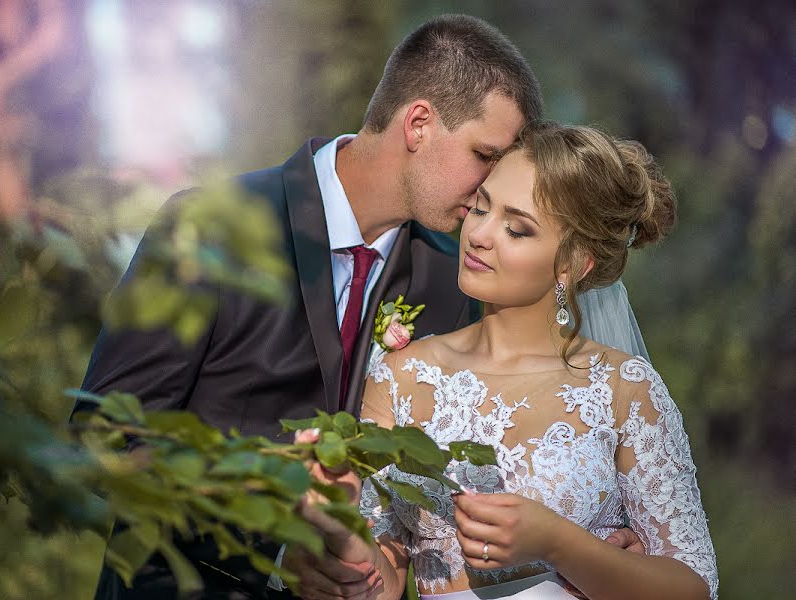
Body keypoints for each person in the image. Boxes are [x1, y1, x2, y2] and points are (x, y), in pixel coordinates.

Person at [78, 15, 643, 600]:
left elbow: (446, 488)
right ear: (418, 123)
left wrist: (584, 544)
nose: (485, 193)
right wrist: (273, 547)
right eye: (483, 155)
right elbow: (104, 436)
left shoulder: (451, 285)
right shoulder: (209, 228)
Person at [349, 121, 719, 599]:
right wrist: (335, 528)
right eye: (480, 207)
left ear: (574, 263)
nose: (479, 234)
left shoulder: (624, 389)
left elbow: (695, 586)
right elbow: (380, 579)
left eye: (516, 228)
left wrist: (559, 543)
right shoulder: (400, 378)